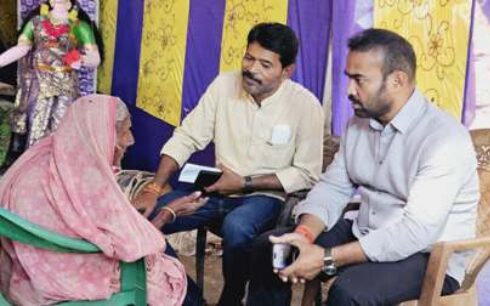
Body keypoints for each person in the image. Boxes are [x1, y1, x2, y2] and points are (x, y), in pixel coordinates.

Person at [246, 28, 480, 306]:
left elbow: (415, 233)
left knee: (349, 293)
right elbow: (332, 188)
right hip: (365, 232)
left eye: (359, 80)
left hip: (428, 255)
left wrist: (327, 258)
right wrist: (303, 236)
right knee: (272, 250)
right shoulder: (359, 123)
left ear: (397, 80)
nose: (348, 90)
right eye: (348, 78)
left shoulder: (443, 139)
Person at [133, 22, 324, 305]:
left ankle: (232, 295)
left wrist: (245, 183)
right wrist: (154, 186)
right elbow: (187, 137)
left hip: (266, 197)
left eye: (265, 64)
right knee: (143, 222)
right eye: (249, 58)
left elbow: (307, 174)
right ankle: (192, 299)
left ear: (287, 72)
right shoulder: (224, 85)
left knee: (237, 226)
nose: (252, 69)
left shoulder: (305, 105)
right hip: (215, 190)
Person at [0, 95, 207, 306]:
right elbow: (132, 247)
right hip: (68, 279)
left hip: (22, 278)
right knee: (167, 269)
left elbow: (79, 221)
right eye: (124, 131)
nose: (131, 140)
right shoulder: (87, 180)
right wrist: (166, 214)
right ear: (100, 135)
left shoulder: (38, 161)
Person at [0, 0, 101, 162]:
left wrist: (80, 59)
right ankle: (35, 171)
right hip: (40, 86)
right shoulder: (35, 23)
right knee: (37, 130)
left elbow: (95, 58)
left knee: (61, 129)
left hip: (66, 86)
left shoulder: (80, 26)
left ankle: (59, 169)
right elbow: (22, 48)